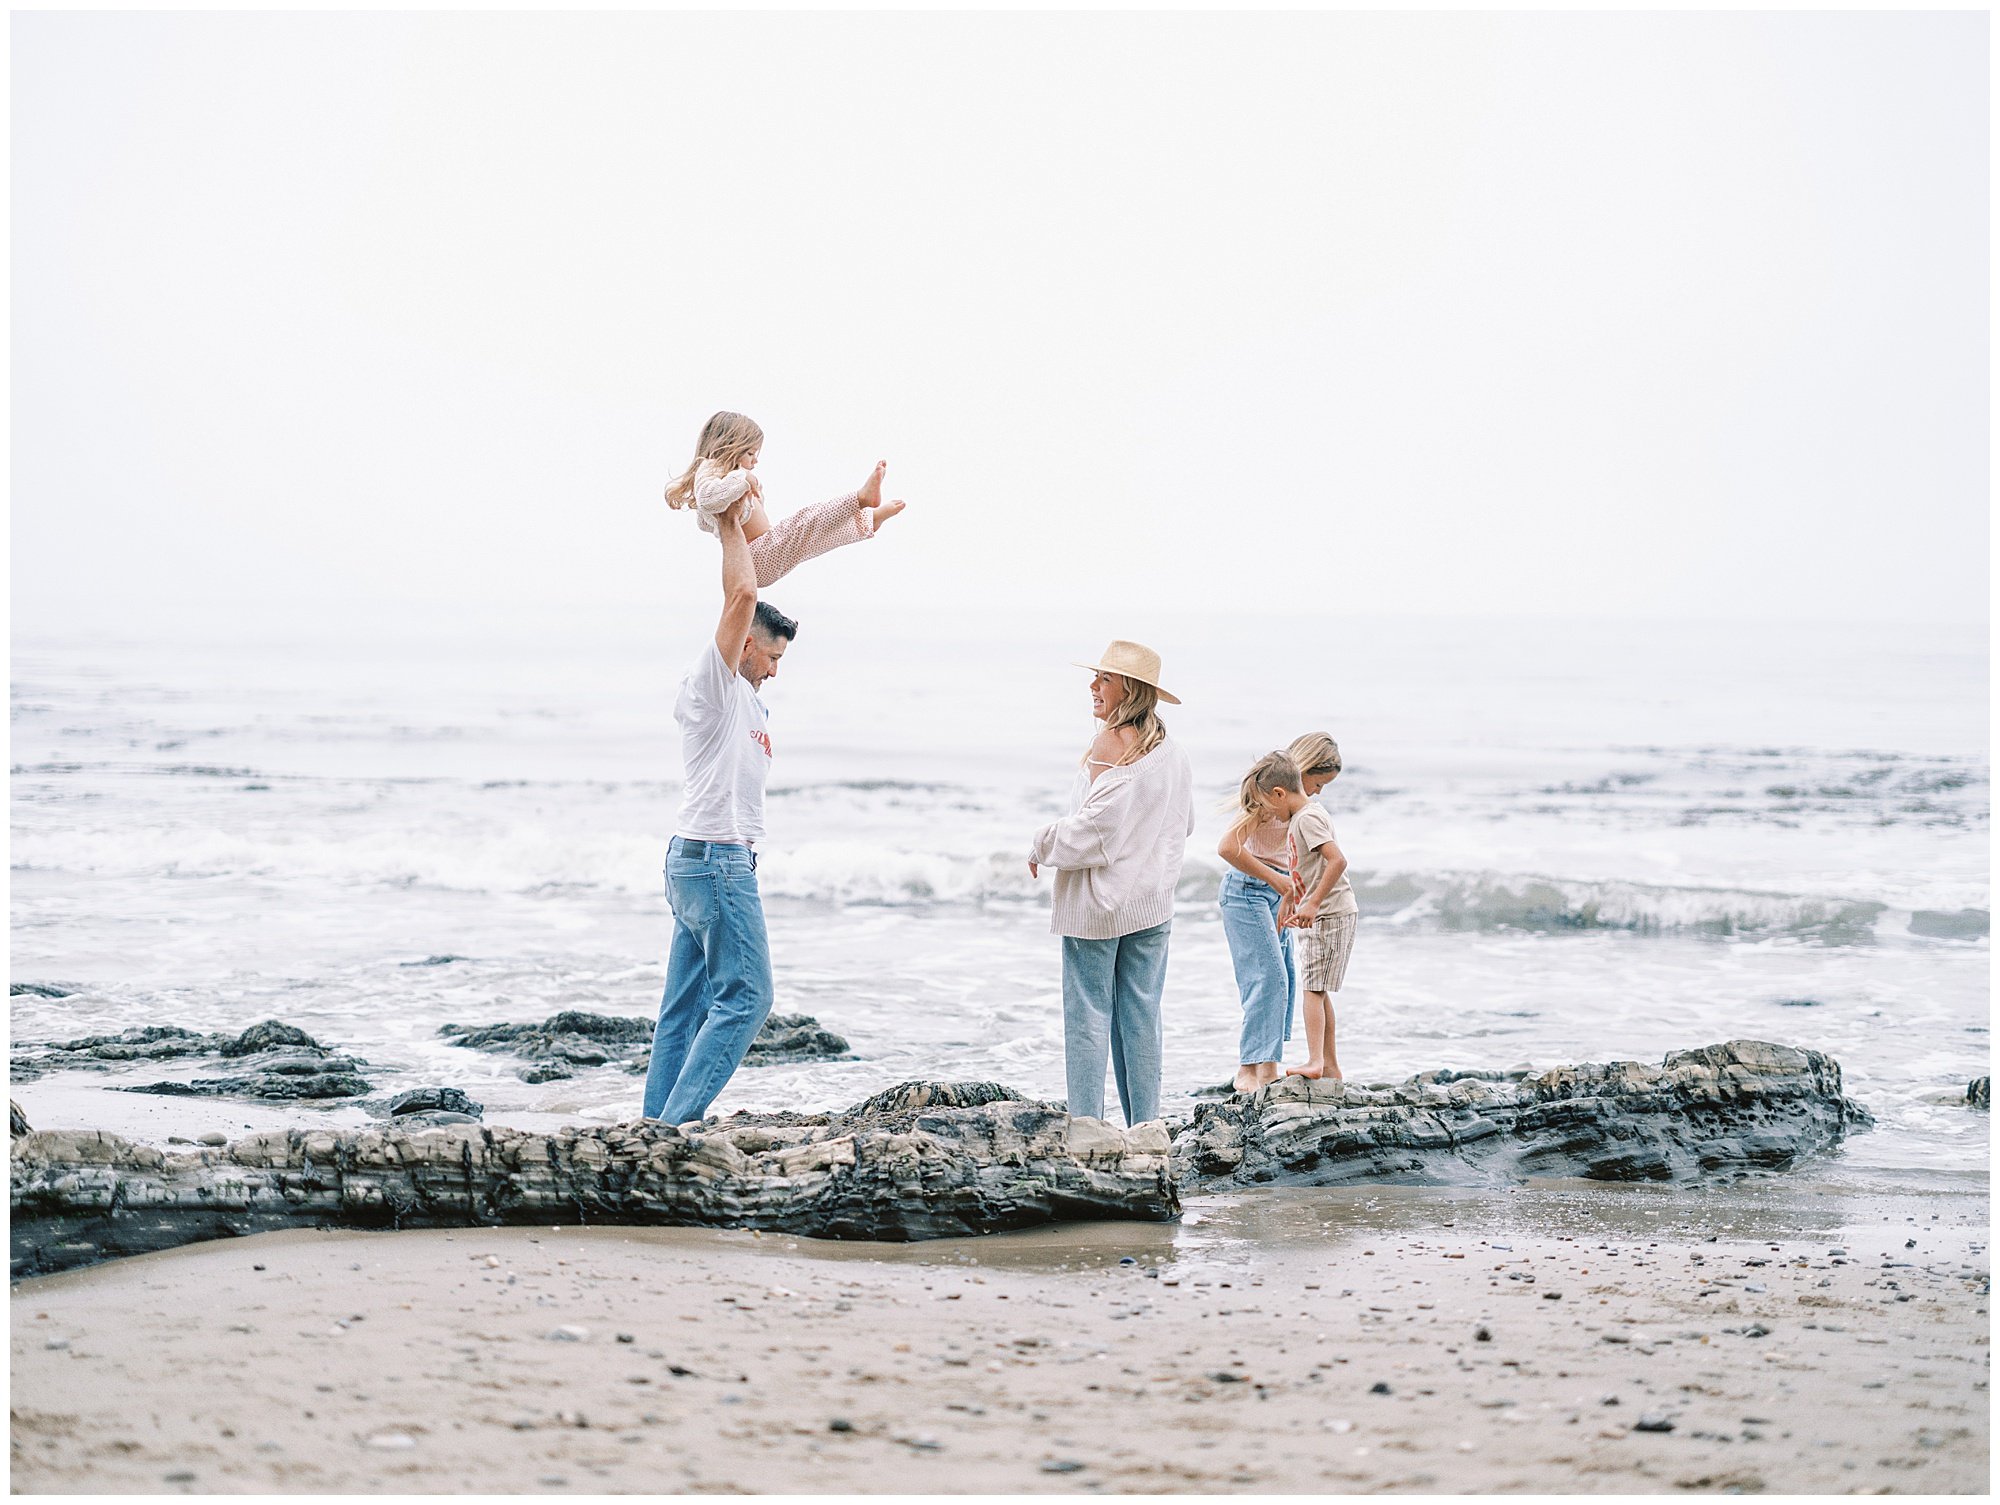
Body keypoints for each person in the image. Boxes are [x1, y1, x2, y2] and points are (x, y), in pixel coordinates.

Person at [641, 495, 794, 1124]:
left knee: (688, 1007)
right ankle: (674, 1132)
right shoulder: (715, 685)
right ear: (747, 647)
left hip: (705, 862)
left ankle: (652, 1130)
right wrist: (729, 523)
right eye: (772, 658)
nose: (775, 672)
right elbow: (739, 600)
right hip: (713, 863)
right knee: (749, 999)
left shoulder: (753, 704)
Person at [1028, 641, 1194, 1127]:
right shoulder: (1174, 753)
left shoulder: (1110, 744)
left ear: (1130, 688)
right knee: (1141, 1019)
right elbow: (1182, 825)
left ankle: (1087, 1128)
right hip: (1152, 904)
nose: (1093, 686)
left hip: (1099, 908)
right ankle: (1146, 1128)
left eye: (1104, 678)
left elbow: (1093, 832)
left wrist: (1040, 843)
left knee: (1088, 1018)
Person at [663, 411, 905, 588]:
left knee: (814, 538)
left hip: (761, 556)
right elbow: (707, 499)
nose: (755, 462)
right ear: (727, 446)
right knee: (806, 522)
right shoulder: (711, 468)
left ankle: (867, 520)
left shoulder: (729, 477)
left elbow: (718, 515)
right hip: (754, 555)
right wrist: (743, 478)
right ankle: (860, 499)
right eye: (750, 453)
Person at [1262, 732, 1358, 1080]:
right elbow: (1303, 867)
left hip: (1330, 913)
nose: (1318, 791)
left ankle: (1316, 1062)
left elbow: (1337, 861)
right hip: (1328, 912)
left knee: (1312, 990)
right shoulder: (1301, 818)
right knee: (1319, 990)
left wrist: (1313, 903)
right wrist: (1291, 899)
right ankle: (1330, 1065)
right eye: (1318, 783)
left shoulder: (1307, 817)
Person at [1217, 750, 1304, 1093]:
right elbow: (1227, 848)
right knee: (1267, 978)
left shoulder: (1298, 810)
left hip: (1274, 896)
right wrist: (1277, 880)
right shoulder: (1264, 809)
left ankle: (1267, 1065)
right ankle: (1248, 1070)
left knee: (1286, 976)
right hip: (1246, 893)